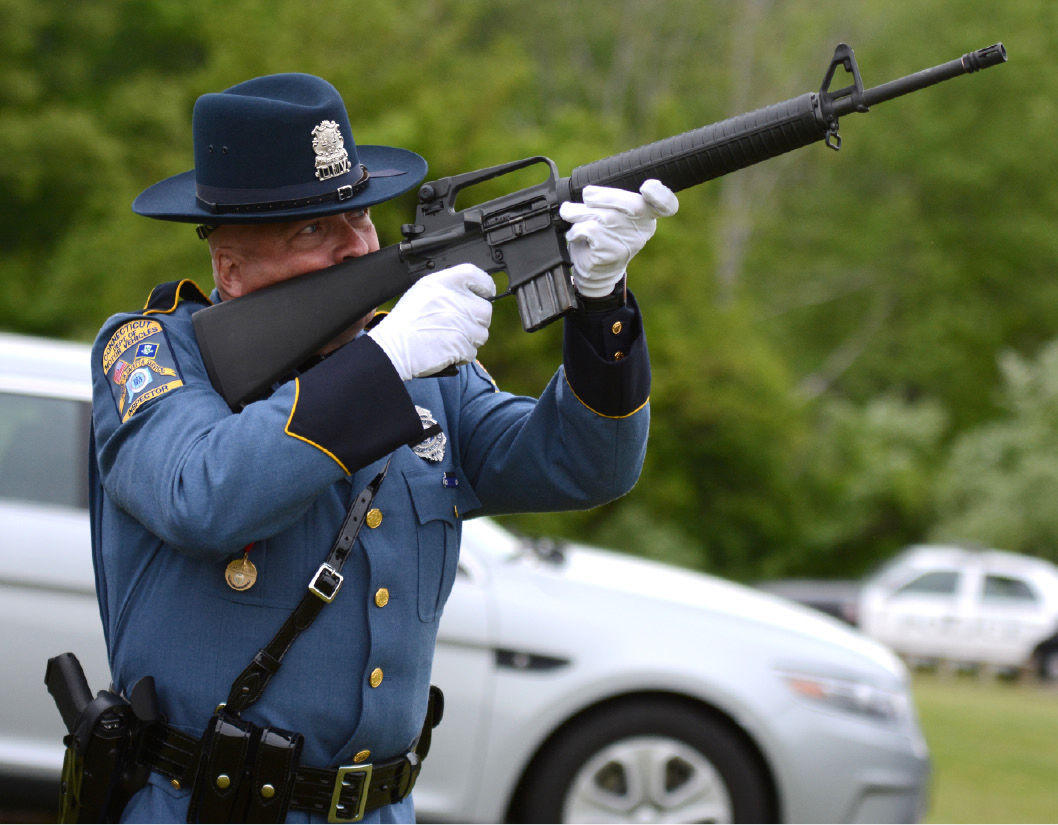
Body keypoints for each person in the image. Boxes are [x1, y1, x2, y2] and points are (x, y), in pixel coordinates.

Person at [88, 72, 677, 823]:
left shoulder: (424, 364)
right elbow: (201, 494)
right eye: (313, 231)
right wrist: (383, 363)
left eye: (360, 218)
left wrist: (603, 305)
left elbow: (583, 463)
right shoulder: (151, 355)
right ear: (229, 268)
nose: (355, 248)